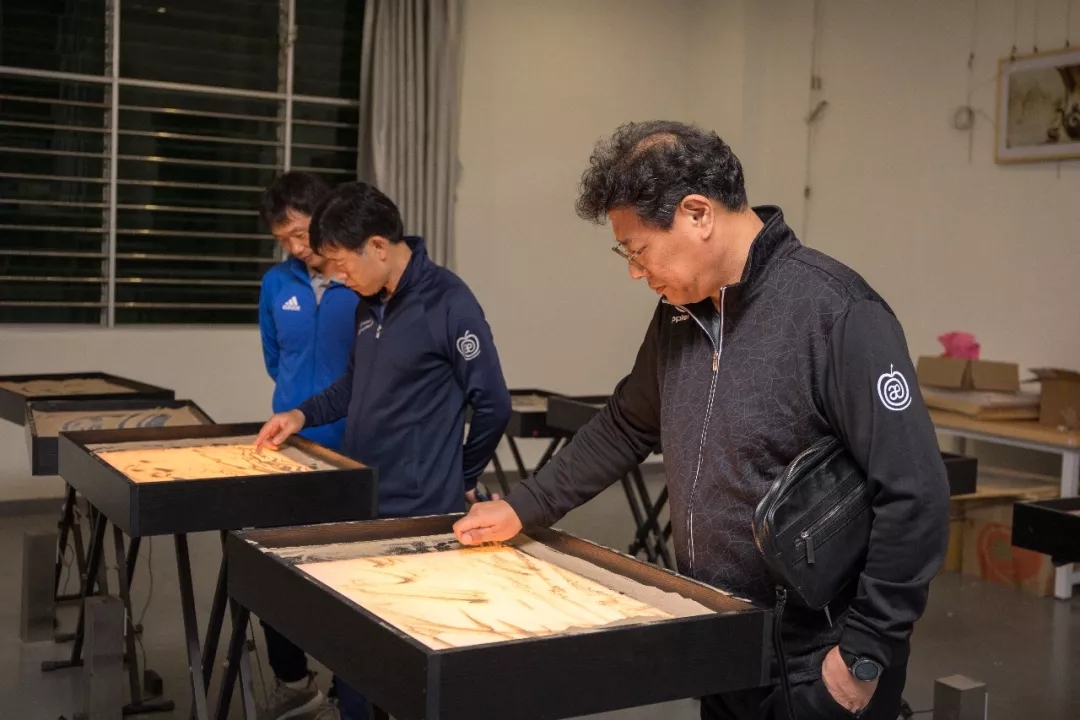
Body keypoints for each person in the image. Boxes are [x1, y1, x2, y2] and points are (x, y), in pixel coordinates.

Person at [452, 121, 950, 720]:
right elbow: (625, 426)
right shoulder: (679, 315)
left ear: (697, 214)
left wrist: (863, 655)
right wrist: (523, 506)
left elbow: (915, 495)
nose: (635, 271)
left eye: (637, 249)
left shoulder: (836, 313)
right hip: (722, 643)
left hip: (816, 664)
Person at [254, 181, 513, 720]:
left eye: (340, 264)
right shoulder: (368, 305)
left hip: (419, 506)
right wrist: (300, 415)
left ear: (376, 246)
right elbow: (352, 386)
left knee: (410, 652)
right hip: (364, 494)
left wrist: (462, 475)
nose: (337, 277)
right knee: (356, 646)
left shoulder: (448, 301)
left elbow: (492, 403)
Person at [256, 171, 359, 720]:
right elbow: (275, 359)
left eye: (301, 233)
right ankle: (293, 682)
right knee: (273, 567)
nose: (296, 248)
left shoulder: (359, 278)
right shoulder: (277, 285)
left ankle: (350, 691)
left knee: (350, 576)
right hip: (291, 451)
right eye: (284, 239)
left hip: (356, 453)